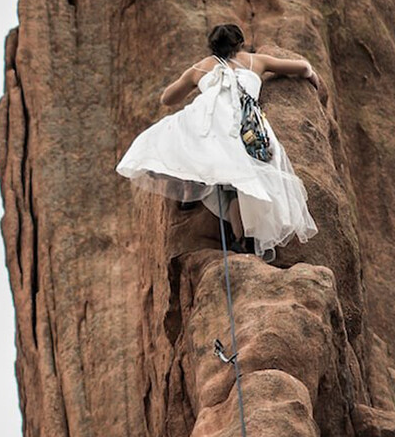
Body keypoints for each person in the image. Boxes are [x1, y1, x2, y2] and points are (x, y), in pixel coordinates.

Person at [115, 23, 319, 262]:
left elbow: (167, 98)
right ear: (240, 43)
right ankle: (242, 239)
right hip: (242, 127)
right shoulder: (255, 61)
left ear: (212, 47)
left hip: (208, 124)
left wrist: (195, 80)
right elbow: (303, 67)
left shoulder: (200, 68)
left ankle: (190, 185)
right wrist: (312, 76)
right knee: (237, 182)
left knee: (183, 145)